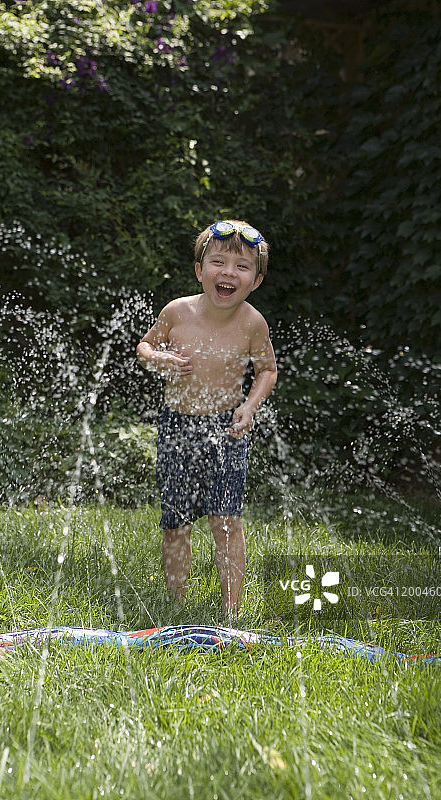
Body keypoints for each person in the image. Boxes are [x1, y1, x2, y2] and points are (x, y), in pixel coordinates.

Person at [136, 220, 277, 612]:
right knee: (176, 522)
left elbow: (267, 369)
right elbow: (144, 347)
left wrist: (248, 406)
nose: (228, 272)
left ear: (256, 280)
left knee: (226, 521)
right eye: (218, 262)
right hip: (177, 424)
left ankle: (231, 610)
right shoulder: (177, 312)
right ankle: (176, 606)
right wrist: (158, 358)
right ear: (200, 271)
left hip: (226, 428)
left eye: (242, 266)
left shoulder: (252, 323)